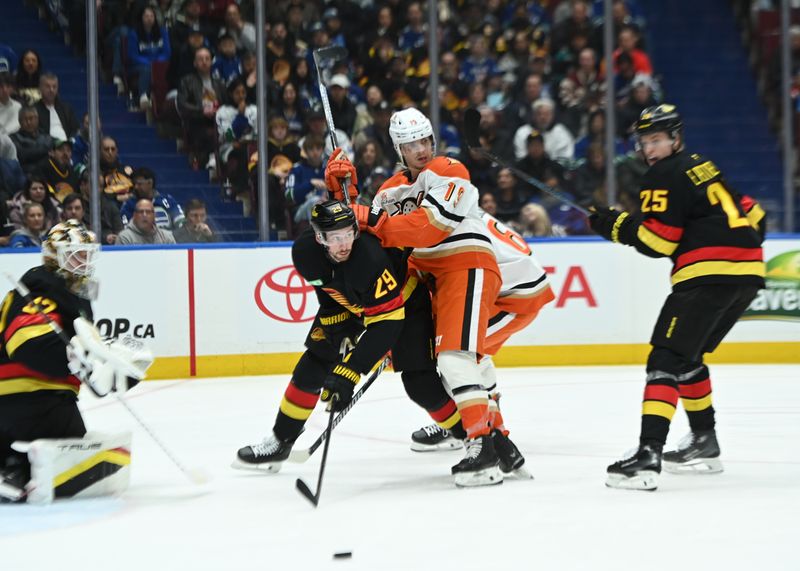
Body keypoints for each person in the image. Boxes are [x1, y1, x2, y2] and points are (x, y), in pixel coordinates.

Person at [328, 108, 528, 486]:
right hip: (434, 282)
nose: (421, 149)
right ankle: (501, 444)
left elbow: (427, 229)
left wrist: (367, 214)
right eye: (411, 144)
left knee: (455, 360)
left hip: (465, 265)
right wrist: (344, 192)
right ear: (398, 149)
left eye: (425, 141)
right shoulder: (389, 190)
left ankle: (481, 448)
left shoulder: (451, 172)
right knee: (463, 364)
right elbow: (369, 240)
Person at [588, 104, 766, 491]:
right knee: (687, 358)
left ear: (675, 138)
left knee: (664, 358)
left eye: (657, 139)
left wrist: (617, 226)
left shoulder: (662, 174)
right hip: (748, 274)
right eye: (644, 141)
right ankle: (704, 441)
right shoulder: (703, 165)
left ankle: (648, 454)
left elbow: (658, 240)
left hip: (707, 276)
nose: (650, 149)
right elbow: (756, 214)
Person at [235, 200, 460, 477]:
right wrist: (336, 330)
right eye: (334, 237)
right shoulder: (305, 253)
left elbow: (388, 323)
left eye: (348, 234)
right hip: (351, 304)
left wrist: (350, 371)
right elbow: (326, 290)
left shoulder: (368, 258)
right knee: (314, 363)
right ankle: (280, 441)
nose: (344, 244)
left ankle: (468, 434)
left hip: (403, 302)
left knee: (420, 385)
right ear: (319, 237)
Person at [0, 220, 152, 503]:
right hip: (34, 400)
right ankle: (22, 467)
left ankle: (12, 466)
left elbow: (93, 380)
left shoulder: (66, 293)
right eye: (76, 253)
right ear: (54, 256)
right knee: (108, 458)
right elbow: (26, 344)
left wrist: (117, 372)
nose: (84, 260)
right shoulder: (41, 288)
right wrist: (72, 356)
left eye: (87, 253)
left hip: (28, 403)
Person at [120, 167, 184, 230]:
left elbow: (180, 221)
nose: (136, 187)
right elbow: (126, 227)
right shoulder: (129, 204)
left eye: (139, 184)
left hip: (167, 238)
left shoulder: (167, 200)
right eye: (135, 184)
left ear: (150, 183)